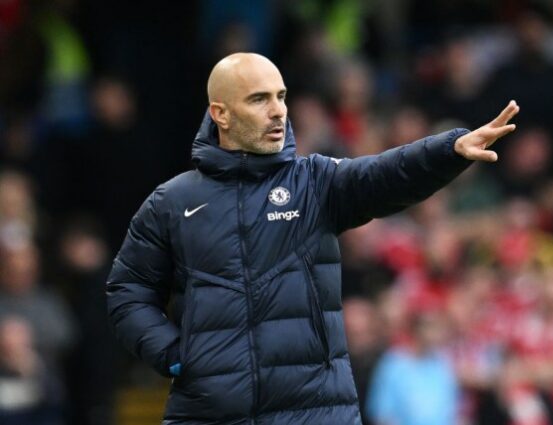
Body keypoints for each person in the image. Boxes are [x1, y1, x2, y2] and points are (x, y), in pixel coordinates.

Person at [106, 52, 519, 425]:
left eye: (281, 97)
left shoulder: (315, 182)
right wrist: (175, 356)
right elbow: (128, 290)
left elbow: (383, 175)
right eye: (259, 99)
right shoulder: (173, 202)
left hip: (316, 412)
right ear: (221, 114)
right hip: (210, 413)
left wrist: (448, 151)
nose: (277, 111)